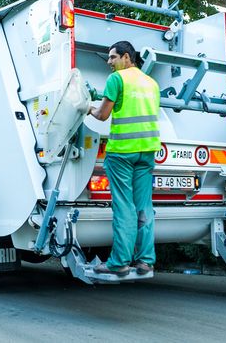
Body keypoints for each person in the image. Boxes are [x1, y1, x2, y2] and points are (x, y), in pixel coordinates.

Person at [87, 40, 161, 276]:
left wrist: (88, 106)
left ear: (127, 57)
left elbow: (102, 115)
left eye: (112, 57)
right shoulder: (152, 83)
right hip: (147, 152)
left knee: (124, 207)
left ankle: (119, 262)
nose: (109, 62)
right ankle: (146, 261)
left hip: (122, 153)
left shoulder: (116, 80)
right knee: (144, 207)